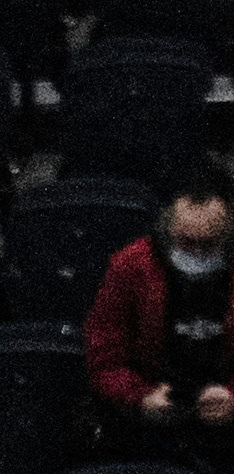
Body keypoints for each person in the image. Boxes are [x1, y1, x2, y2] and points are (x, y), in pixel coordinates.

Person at [87, 184, 234, 443]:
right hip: (150, 410)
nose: (198, 254)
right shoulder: (130, 266)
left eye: (210, 244)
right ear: (167, 230)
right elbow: (104, 357)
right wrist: (141, 396)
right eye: (187, 242)